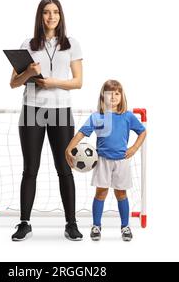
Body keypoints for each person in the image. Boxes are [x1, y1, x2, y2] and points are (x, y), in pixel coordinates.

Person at [9, 0, 84, 241]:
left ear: (61, 16)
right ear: (40, 16)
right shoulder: (27, 44)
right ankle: (24, 223)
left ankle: (71, 223)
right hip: (32, 110)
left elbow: (78, 82)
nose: (51, 17)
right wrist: (29, 72)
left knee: (65, 168)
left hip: (60, 110)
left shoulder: (71, 44)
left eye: (55, 12)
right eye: (46, 12)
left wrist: (52, 82)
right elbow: (13, 83)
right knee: (30, 169)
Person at [65, 80, 147, 241]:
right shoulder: (97, 117)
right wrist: (69, 148)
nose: (113, 96)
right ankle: (96, 225)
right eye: (110, 93)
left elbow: (142, 132)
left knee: (121, 193)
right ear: (103, 96)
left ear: (121, 96)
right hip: (102, 160)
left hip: (121, 161)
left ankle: (125, 226)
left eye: (117, 93)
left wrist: (134, 148)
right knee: (101, 192)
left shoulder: (128, 116)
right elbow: (82, 133)